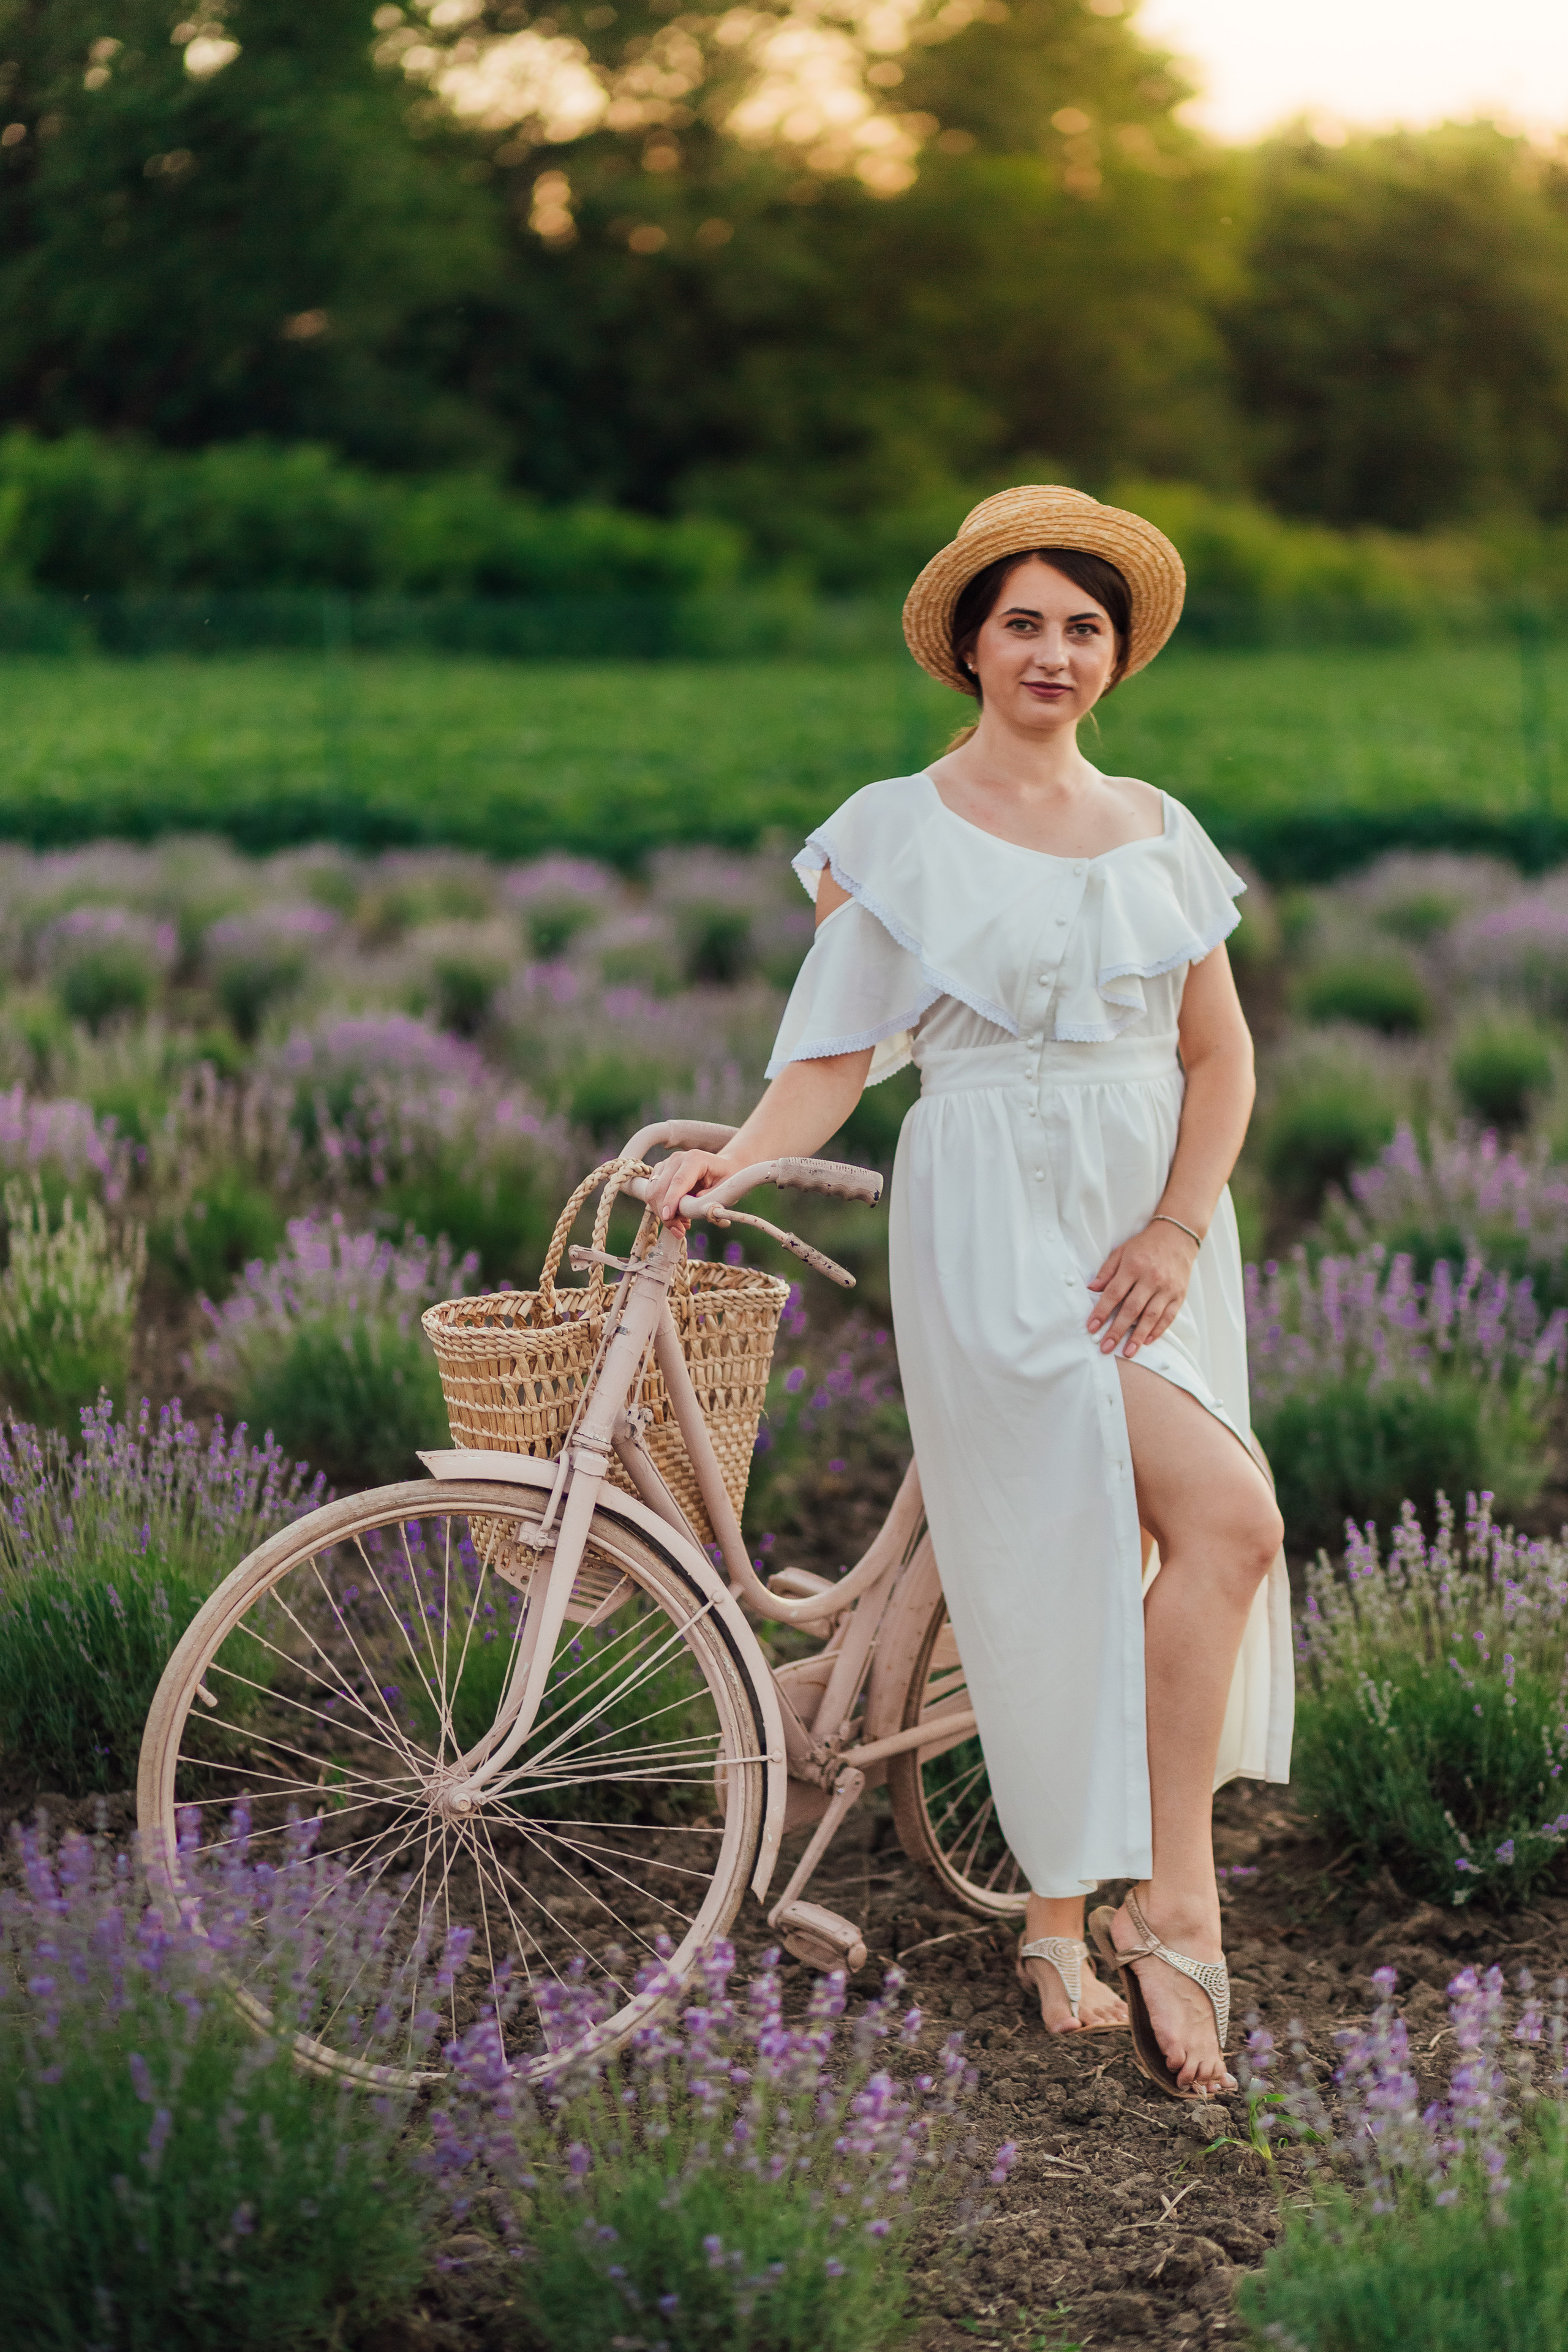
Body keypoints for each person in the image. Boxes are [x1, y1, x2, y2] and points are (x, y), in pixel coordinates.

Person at [646, 485, 1291, 2101]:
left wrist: (1177, 1228)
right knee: (1101, 1537)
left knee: (1192, 1531)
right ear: (970, 645)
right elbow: (834, 1058)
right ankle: (1143, 1911)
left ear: (1116, 654)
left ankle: (1098, 1909)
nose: (1054, 652)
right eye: (1025, 624)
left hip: (1150, 1224)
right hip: (993, 1214)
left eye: (1084, 627)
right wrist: (742, 1162)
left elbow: (1221, 1059)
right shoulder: (897, 830)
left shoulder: (1159, 827)